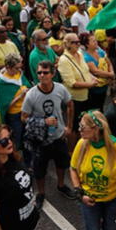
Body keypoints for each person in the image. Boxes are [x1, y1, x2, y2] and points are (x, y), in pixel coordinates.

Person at [21, 60, 76, 208]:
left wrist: (69, 127)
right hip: (40, 141)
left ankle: (61, 185)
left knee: (61, 164)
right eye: (39, 72)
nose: (42, 75)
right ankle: (41, 193)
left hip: (58, 136)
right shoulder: (31, 94)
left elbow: (70, 104)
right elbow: (23, 117)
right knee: (39, 170)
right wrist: (43, 122)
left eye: (45, 72)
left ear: (52, 74)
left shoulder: (60, 89)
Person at [70, 110, 116, 230]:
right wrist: (80, 193)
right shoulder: (82, 144)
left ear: (96, 128)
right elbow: (73, 169)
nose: (79, 130)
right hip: (89, 200)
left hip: (113, 200)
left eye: (82, 127)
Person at [0, 123, 40, 230]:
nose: (9, 142)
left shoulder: (14, 158)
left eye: (10, 137)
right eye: (4, 141)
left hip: (32, 223)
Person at [58, 32, 99, 139]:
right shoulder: (64, 60)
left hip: (86, 96)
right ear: (67, 44)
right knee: (75, 127)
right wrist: (89, 84)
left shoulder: (79, 53)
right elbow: (72, 83)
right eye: (74, 42)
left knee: (86, 122)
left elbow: (85, 70)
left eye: (78, 42)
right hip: (75, 100)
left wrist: (91, 77)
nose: (77, 44)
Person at [0, 53, 30, 148]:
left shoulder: (19, 74)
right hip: (14, 116)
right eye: (16, 68)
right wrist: (20, 96)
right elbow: (4, 106)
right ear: (8, 67)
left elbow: (27, 84)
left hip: (25, 111)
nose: (19, 70)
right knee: (16, 139)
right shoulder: (1, 83)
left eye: (19, 67)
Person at [82, 32, 115, 111]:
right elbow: (95, 72)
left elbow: (109, 63)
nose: (96, 42)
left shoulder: (100, 51)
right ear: (87, 44)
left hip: (105, 84)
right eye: (93, 41)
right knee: (94, 107)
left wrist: (112, 72)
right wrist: (110, 75)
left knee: (102, 104)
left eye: (95, 40)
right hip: (95, 87)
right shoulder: (86, 57)